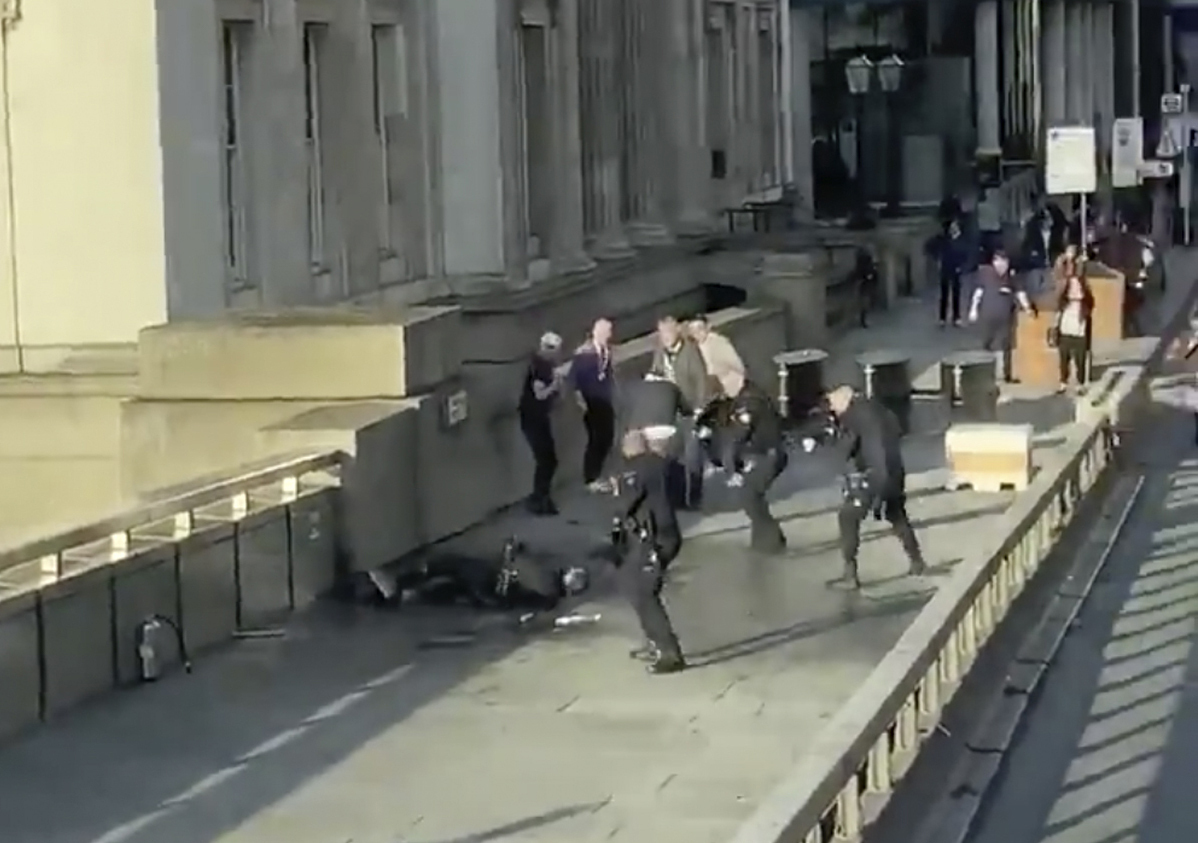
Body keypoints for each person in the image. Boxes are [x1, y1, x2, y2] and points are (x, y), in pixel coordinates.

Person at [805, 386, 926, 589]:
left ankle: (850, 574)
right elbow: (896, 429)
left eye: (833, 403)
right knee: (896, 514)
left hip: (874, 475)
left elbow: (844, 449)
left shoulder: (853, 417)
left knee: (848, 517)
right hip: (895, 471)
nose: (833, 408)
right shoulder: (878, 408)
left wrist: (825, 440)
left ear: (845, 399)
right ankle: (917, 561)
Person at [609, 430, 685, 674]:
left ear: (627, 448)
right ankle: (654, 640)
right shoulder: (662, 464)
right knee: (631, 583)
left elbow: (626, 504)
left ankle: (669, 652)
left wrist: (616, 491)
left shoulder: (635, 469)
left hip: (654, 540)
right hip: (666, 534)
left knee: (643, 592)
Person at [403, 537, 590, 611]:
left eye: (574, 574)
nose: (571, 570)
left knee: (454, 567)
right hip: (493, 593)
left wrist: (513, 552)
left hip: (490, 581)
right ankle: (412, 594)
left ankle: (414, 579)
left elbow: (523, 572)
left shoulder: (549, 583)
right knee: (455, 590)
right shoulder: (551, 594)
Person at [718, 371, 788, 555]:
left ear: (738, 382)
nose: (724, 390)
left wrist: (730, 468)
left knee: (750, 495)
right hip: (766, 453)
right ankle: (762, 539)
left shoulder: (749, 402)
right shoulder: (751, 395)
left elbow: (738, 435)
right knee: (752, 496)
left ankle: (773, 539)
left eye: (726, 385)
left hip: (767, 456)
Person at [649, 315, 711, 509]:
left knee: (693, 456)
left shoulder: (690, 351)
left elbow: (701, 380)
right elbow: (656, 372)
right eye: (662, 333)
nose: (665, 337)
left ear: (677, 331)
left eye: (668, 332)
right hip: (669, 409)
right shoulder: (660, 352)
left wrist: (700, 407)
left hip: (690, 408)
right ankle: (676, 498)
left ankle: (694, 497)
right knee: (672, 456)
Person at [518, 331, 567, 515]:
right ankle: (538, 499)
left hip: (539, 417)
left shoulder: (546, 365)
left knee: (549, 460)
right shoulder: (540, 367)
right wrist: (555, 385)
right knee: (546, 460)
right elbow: (540, 394)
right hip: (532, 418)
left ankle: (542, 497)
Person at [968, 249, 1035, 383]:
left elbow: (1020, 293)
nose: (1001, 265)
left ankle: (1007, 375)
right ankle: (984, 373)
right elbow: (978, 292)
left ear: (1008, 263)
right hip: (988, 315)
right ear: (993, 262)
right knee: (986, 345)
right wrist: (973, 309)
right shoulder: (986, 274)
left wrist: (1028, 308)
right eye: (997, 262)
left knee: (1007, 346)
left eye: (1004, 262)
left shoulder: (1012, 277)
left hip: (1006, 318)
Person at [572, 318, 616, 488]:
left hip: (605, 400)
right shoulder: (583, 353)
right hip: (590, 401)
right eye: (608, 332)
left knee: (608, 436)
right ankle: (590, 477)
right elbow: (575, 380)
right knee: (596, 439)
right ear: (598, 332)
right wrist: (581, 401)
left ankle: (599, 473)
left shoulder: (606, 350)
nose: (610, 335)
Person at [1054, 267, 1094, 394]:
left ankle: (1080, 384)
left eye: (1077, 286)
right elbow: (1058, 313)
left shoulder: (1085, 303)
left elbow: (1090, 308)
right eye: (1072, 286)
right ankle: (1063, 383)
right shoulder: (1064, 302)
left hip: (1079, 332)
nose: (1074, 289)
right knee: (1064, 358)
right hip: (1065, 331)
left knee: (1080, 359)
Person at [687, 314, 745, 385]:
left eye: (700, 328)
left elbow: (736, 364)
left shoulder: (718, 342)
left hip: (732, 384)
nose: (697, 333)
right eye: (693, 330)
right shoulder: (695, 347)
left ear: (708, 327)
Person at [1019, 208, 1065, 299]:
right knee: (1036, 287)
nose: (1049, 221)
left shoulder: (1057, 234)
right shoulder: (1032, 234)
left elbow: (1060, 249)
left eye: (1050, 217)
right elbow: (1026, 253)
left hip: (1053, 267)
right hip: (1037, 268)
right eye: (1046, 217)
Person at [937, 219, 972, 327]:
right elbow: (938, 251)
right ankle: (942, 317)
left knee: (956, 294)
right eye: (952, 227)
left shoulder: (962, 241)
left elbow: (966, 255)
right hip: (945, 268)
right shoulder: (944, 239)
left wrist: (962, 267)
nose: (952, 229)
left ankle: (956, 317)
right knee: (944, 294)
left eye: (955, 227)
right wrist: (939, 261)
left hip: (956, 269)